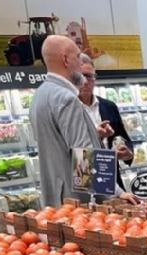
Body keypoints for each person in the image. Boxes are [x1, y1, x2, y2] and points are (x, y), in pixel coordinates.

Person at [30, 36, 132, 206]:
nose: (80, 62)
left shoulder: (39, 95)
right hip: (75, 202)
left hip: (54, 197)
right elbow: (84, 157)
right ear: (65, 59)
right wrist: (117, 193)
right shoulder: (66, 98)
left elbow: (57, 144)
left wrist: (94, 135)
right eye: (77, 57)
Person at [77, 55, 135, 188]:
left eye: (89, 76)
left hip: (112, 178)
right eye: (81, 76)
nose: (85, 81)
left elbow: (123, 138)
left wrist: (127, 153)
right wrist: (95, 136)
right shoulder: (69, 109)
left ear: (95, 78)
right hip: (83, 179)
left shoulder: (108, 106)